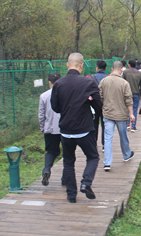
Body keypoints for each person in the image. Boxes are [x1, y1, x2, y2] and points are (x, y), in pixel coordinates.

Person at [50, 52, 103, 203]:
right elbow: (99, 105)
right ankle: (86, 183)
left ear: (67, 65)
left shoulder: (59, 84)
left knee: (68, 161)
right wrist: (89, 102)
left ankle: (71, 195)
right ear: (81, 65)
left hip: (66, 131)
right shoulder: (88, 83)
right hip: (84, 129)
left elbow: (55, 107)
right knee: (93, 157)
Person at [98, 61, 136, 172]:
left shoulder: (104, 81)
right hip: (121, 115)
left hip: (108, 113)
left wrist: (103, 108)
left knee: (108, 138)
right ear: (121, 69)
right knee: (123, 136)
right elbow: (128, 99)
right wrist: (131, 114)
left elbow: (99, 96)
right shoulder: (124, 83)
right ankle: (126, 155)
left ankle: (107, 163)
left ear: (111, 68)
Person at [38, 72, 62, 187]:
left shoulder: (44, 96)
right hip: (64, 128)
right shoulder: (64, 94)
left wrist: (42, 127)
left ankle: (47, 169)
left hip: (50, 128)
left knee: (51, 151)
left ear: (49, 82)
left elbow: (41, 115)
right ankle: (66, 178)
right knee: (68, 154)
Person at [90, 60, 108, 152]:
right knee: (105, 125)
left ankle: (94, 143)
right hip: (105, 106)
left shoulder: (91, 78)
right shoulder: (108, 79)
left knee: (94, 125)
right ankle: (105, 145)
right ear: (105, 68)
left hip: (94, 105)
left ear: (97, 68)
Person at [122, 59, 141, 132]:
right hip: (136, 94)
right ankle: (133, 126)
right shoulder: (139, 73)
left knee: (126, 109)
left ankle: (127, 124)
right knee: (134, 110)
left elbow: (122, 83)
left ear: (129, 64)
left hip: (126, 94)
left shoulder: (125, 72)